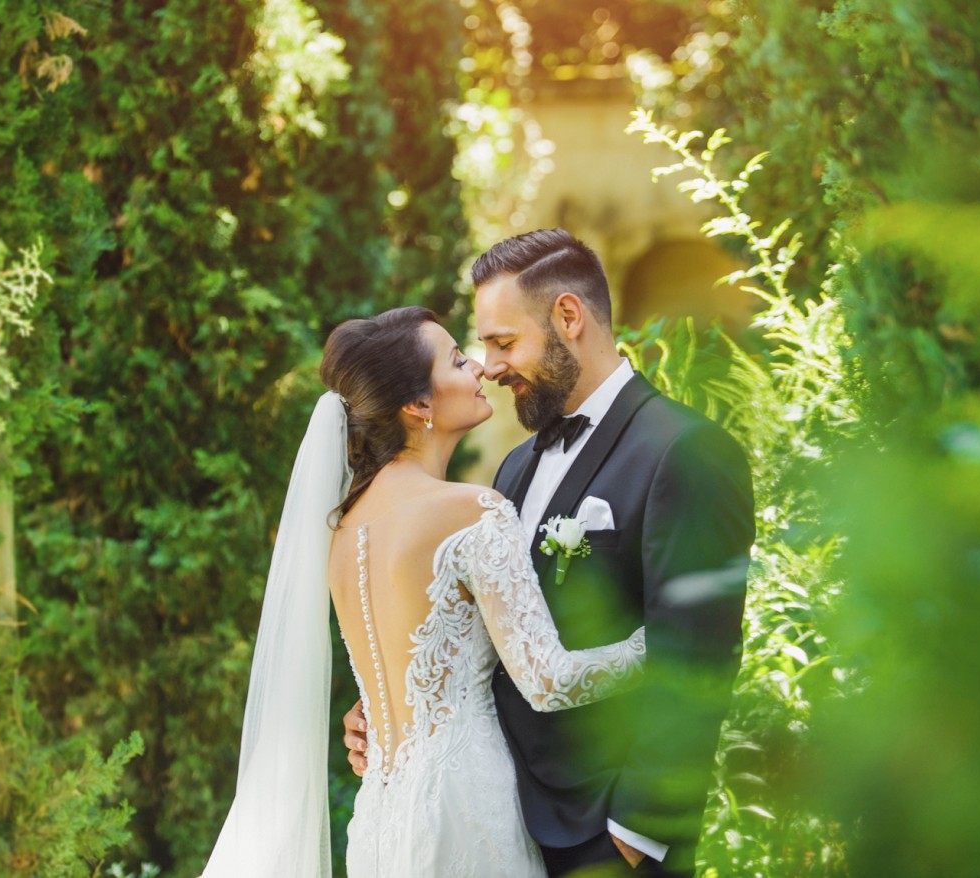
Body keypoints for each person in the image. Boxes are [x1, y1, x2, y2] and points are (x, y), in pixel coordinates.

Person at [342, 230, 754, 876]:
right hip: (497, 822)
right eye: (480, 348)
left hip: (607, 839)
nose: (492, 366)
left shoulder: (687, 453)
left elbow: (700, 659)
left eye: (504, 343)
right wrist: (394, 704)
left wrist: (635, 837)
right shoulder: (513, 470)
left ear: (568, 317)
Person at [201, 302, 649, 878]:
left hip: (380, 821)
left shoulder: (340, 534)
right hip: (466, 810)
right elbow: (547, 680)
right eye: (460, 361)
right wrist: (654, 647)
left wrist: (362, 721)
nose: (482, 370)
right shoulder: (471, 509)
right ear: (418, 405)